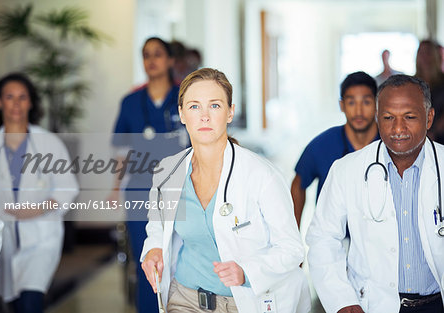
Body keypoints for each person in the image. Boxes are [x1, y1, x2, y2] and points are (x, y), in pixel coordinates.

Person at [141, 68, 310, 313]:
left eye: (215, 106)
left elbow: (292, 249)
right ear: (182, 114)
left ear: (230, 112)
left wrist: (247, 271)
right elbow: (157, 225)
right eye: (195, 107)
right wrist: (153, 249)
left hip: (245, 302)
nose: (205, 116)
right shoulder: (166, 172)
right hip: (185, 298)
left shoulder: (262, 175)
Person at [306, 74, 444, 313]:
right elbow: (322, 239)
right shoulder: (347, 170)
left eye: (409, 117)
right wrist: (343, 301)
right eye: (388, 117)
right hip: (371, 304)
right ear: (378, 118)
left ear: (429, 118)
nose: (398, 128)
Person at [0, 73, 79, 313]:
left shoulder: (48, 143)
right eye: (9, 97)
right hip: (3, 241)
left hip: (42, 236)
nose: (16, 104)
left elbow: (67, 187)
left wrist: (40, 208)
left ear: (30, 103)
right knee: (12, 303)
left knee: (31, 301)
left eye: (22, 97)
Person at [110, 37, 182, 313]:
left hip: (181, 190)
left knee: (179, 262)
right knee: (147, 262)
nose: (152, 60)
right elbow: (122, 151)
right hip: (140, 191)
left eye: (158, 54)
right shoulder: (130, 102)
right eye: (146, 55)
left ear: (170, 61)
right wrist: (115, 189)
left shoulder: (184, 98)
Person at [291, 71, 379, 227]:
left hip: (379, 240)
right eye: (351, 102)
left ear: (377, 104)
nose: (359, 111)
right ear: (342, 105)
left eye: (366, 102)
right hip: (333, 240)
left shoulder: (389, 144)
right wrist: (293, 234)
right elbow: (298, 184)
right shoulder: (323, 144)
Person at [415, 39, 444, 144]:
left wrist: (434, 132)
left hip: (440, 137)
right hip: (417, 136)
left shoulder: (442, 81)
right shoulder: (412, 82)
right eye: (421, 52)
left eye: (428, 52)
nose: (424, 57)